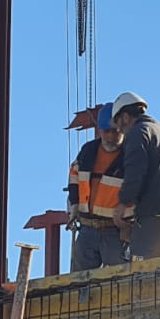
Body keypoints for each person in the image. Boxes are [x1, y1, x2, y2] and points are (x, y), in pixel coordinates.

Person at [110, 91, 160, 259]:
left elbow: (135, 173)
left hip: (155, 214)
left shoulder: (138, 133)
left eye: (118, 123)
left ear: (125, 117)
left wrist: (123, 204)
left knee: (142, 270)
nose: (119, 130)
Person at [65, 102, 130, 269]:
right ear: (100, 130)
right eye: (106, 132)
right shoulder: (88, 151)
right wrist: (74, 204)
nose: (110, 137)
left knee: (120, 278)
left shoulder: (131, 155)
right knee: (79, 279)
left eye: (115, 132)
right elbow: (74, 176)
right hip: (87, 228)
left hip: (115, 231)